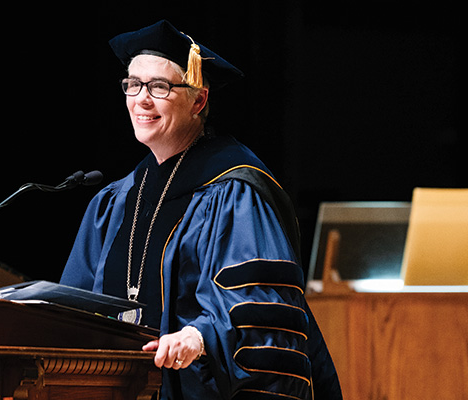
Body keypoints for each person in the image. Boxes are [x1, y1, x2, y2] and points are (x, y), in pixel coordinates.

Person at [59, 20, 342, 399]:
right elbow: (71, 309)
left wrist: (200, 335)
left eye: (159, 86)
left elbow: (263, 307)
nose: (142, 99)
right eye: (133, 84)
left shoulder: (234, 192)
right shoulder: (115, 201)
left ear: (199, 100)